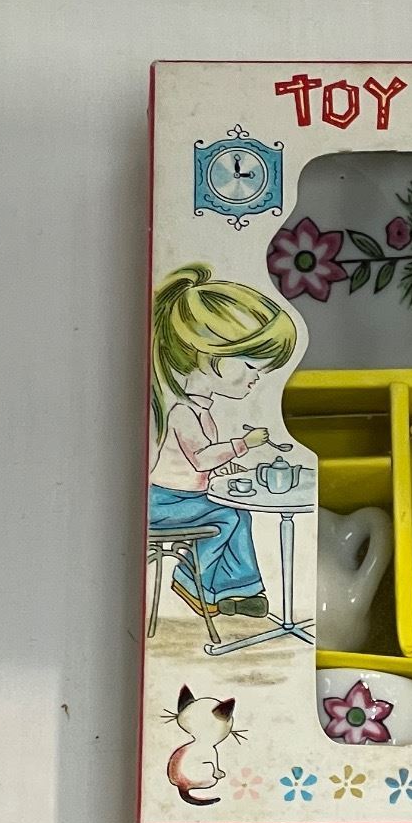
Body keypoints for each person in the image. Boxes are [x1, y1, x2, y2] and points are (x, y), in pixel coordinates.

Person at [148, 264, 297, 621]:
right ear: (211, 356)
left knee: (238, 514)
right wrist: (242, 444)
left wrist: (226, 467)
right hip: (165, 502)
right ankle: (191, 581)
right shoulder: (182, 412)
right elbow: (200, 458)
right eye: (251, 367)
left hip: (189, 499)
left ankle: (238, 590)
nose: (255, 380)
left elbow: (203, 462)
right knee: (227, 516)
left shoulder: (204, 411)